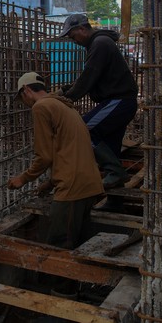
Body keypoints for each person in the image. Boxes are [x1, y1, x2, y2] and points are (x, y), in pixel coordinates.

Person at [8, 72, 104, 297]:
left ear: (27, 91)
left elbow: (45, 156)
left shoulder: (40, 108)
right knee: (76, 243)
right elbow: (68, 151)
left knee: (59, 247)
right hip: (88, 183)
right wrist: (49, 183)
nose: (23, 103)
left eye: (22, 98)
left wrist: (22, 179)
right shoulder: (65, 106)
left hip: (73, 188)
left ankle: (63, 299)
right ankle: (75, 290)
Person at [57, 14, 138, 192]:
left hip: (119, 101)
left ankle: (117, 172)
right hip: (120, 102)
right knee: (111, 149)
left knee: (84, 130)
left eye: (73, 36)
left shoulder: (100, 44)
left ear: (82, 29)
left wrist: (67, 98)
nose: (74, 41)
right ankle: (116, 202)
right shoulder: (100, 43)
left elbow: (88, 77)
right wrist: (65, 90)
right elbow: (93, 77)